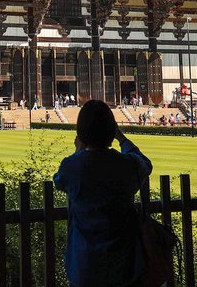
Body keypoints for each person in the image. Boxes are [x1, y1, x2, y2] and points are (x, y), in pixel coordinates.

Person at [54, 99, 152, 287]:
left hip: (85, 265)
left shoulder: (73, 167)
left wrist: (78, 151)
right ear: (111, 130)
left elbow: (60, 180)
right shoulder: (126, 165)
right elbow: (145, 164)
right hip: (123, 264)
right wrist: (122, 139)